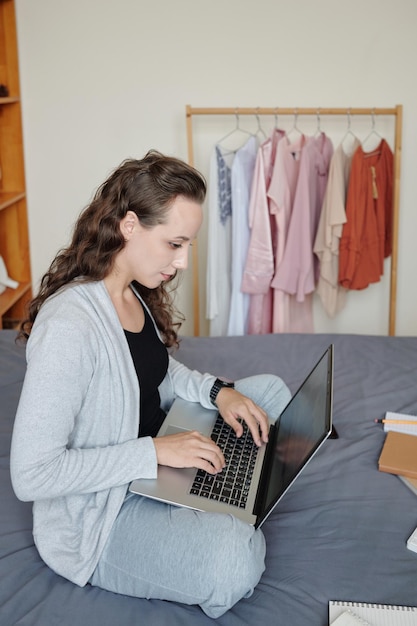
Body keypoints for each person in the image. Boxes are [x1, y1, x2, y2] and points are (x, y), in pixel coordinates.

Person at [10, 150, 291, 618]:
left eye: (188, 247)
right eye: (174, 244)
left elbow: (156, 370)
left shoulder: (133, 289)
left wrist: (219, 392)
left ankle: (225, 492)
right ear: (130, 225)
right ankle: (224, 505)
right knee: (232, 559)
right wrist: (158, 453)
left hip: (159, 448)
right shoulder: (70, 326)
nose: (181, 262)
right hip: (104, 513)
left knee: (270, 393)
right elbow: (32, 474)